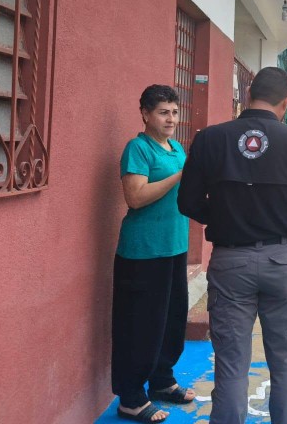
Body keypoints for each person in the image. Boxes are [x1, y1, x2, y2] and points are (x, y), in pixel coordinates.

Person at [178, 66, 287, 424]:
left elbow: (187, 202)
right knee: (285, 362)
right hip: (282, 263)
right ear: (286, 102)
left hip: (230, 262)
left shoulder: (210, 139)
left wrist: (224, 216)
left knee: (231, 365)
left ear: (249, 94)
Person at [112, 85, 195, 423]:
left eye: (174, 112)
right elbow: (135, 197)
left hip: (174, 247)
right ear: (145, 114)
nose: (170, 119)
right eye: (163, 112)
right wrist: (179, 176)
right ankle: (131, 397)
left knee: (171, 320)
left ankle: (161, 380)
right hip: (143, 252)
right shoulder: (138, 148)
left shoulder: (176, 148)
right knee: (139, 325)